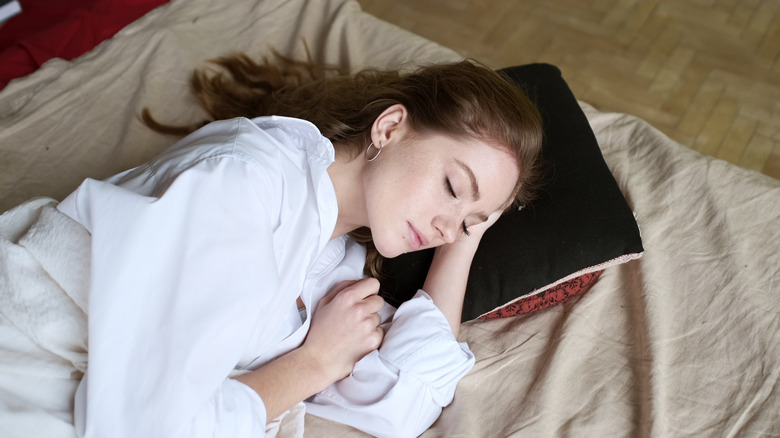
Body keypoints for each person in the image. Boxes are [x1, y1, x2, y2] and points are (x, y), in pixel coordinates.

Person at [55, 54, 543, 437]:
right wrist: (313, 363)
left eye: (470, 222)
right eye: (454, 187)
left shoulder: (340, 269)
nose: (446, 224)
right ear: (390, 127)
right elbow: (140, 427)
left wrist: (463, 240)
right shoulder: (244, 183)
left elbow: (406, 402)